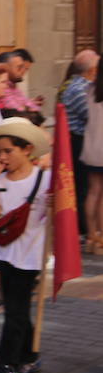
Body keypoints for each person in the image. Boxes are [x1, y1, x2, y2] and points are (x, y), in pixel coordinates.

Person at [0, 118, 52, 373]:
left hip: (30, 255)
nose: (2, 157)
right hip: (5, 251)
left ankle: (7, 366)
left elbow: (59, 216)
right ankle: (30, 355)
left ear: (27, 149)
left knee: (15, 310)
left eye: (8, 151)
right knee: (17, 308)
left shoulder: (45, 179)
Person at [62, 50, 97, 237]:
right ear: (92, 70)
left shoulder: (84, 87)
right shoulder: (80, 89)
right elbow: (90, 116)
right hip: (80, 141)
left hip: (84, 140)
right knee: (86, 187)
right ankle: (85, 227)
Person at [84, 61, 103, 254]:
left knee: (93, 192)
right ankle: (100, 238)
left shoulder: (91, 89)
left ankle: (91, 235)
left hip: (92, 146)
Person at [0, 50, 43, 123]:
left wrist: (27, 107)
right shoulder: (2, 88)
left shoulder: (14, 87)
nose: (22, 71)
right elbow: (18, 111)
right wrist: (27, 108)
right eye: (19, 67)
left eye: (23, 68)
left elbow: (34, 108)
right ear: (5, 68)